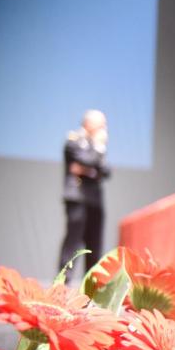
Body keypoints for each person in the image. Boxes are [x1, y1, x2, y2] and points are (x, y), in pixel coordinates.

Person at [57, 109, 111, 282]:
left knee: (94, 245)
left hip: (95, 200)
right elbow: (88, 161)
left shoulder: (97, 146)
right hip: (77, 197)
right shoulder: (73, 141)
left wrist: (87, 169)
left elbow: (106, 170)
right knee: (73, 242)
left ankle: (91, 287)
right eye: (101, 124)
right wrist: (96, 151)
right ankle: (63, 284)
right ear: (88, 123)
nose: (104, 128)